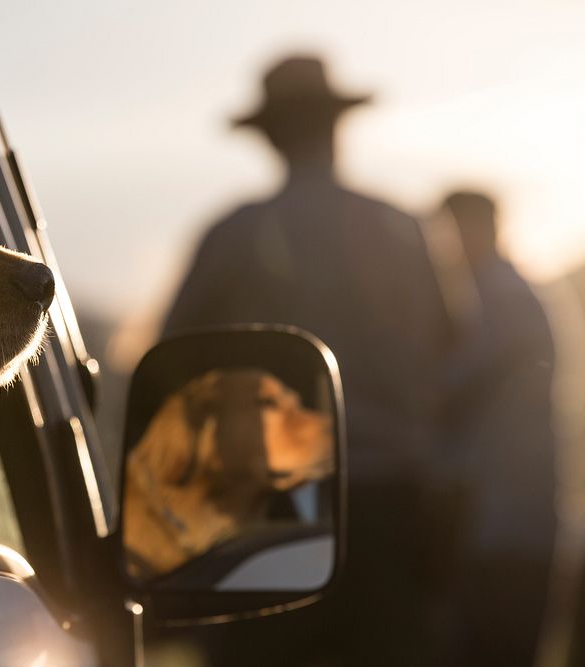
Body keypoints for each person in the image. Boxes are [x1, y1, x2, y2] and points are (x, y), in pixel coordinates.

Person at [163, 55, 453, 663]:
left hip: (270, 502)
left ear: (269, 137)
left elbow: (175, 357)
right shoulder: (401, 226)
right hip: (393, 500)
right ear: (335, 127)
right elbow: (452, 344)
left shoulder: (236, 233)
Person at [434, 192, 557, 665]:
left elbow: (450, 390)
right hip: (502, 519)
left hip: (500, 522)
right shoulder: (501, 293)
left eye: (451, 230)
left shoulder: (496, 298)